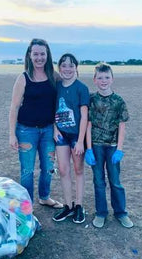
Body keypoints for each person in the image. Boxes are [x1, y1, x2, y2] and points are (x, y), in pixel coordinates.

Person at [9, 38, 63, 209]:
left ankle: (44, 197)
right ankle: (27, 205)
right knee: (27, 171)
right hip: (26, 131)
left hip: (48, 130)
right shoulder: (23, 78)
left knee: (48, 167)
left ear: (47, 55)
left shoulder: (54, 76)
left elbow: (64, 97)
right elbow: (14, 107)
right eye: (36, 54)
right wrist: (12, 134)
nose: (39, 57)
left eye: (42, 54)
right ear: (29, 55)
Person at [85, 63, 133, 228]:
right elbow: (88, 124)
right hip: (96, 146)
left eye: (106, 77)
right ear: (95, 80)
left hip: (112, 147)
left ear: (112, 79)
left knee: (115, 181)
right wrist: (89, 148)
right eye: (100, 78)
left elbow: (122, 126)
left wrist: (119, 149)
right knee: (98, 181)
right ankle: (101, 213)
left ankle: (121, 212)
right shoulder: (91, 99)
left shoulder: (118, 101)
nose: (103, 80)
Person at [52, 53, 89, 223]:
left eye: (71, 65)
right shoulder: (57, 86)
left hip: (76, 135)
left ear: (76, 68)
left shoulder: (81, 88)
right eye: (64, 65)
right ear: (59, 68)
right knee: (63, 170)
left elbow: (84, 115)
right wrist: (54, 128)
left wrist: (81, 140)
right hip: (61, 135)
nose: (67, 69)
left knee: (78, 170)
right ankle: (68, 205)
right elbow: (51, 109)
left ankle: (79, 205)